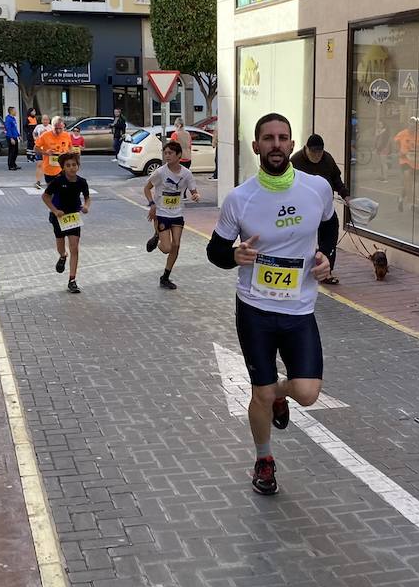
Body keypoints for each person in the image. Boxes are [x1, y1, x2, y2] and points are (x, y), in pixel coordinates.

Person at [207, 113, 335, 496]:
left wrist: (327, 255)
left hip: (300, 310)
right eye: (268, 138)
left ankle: (279, 394)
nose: (276, 144)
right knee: (259, 393)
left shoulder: (317, 188)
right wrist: (235, 256)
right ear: (256, 146)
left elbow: (328, 224)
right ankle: (264, 459)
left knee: (309, 393)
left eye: (282, 138)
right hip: (255, 310)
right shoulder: (240, 198)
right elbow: (215, 251)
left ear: (292, 146)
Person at [291, 134, 349, 286]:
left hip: (324, 207)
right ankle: (299, 268)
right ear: (306, 149)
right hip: (303, 209)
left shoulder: (327, 159)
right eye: (314, 152)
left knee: (330, 235)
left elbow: (336, 179)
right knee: (303, 239)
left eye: (320, 152)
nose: (317, 155)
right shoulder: (295, 161)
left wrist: (346, 195)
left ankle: (326, 271)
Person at [144, 140, 200, 290]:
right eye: (165, 153)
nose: (167, 156)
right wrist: (152, 204)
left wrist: (195, 196)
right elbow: (147, 188)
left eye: (170, 153)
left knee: (176, 245)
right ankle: (157, 235)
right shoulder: (160, 172)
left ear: (179, 155)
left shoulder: (186, 174)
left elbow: (194, 191)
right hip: (162, 213)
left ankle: (165, 277)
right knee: (167, 248)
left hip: (177, 213)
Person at [42, 149, 90, 294]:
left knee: (74, 247)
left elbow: (87, 197)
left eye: (74, 165)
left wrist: (86, 206)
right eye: (68, 165)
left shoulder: (82, 182)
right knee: (61, 247)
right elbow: (45, 197)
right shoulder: (57, 181)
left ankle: (72, 280)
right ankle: (63, 256)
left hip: (73, 217)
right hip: (59, 217)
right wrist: (55, 211)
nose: (71, 168)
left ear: (78, 166)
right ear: (63, 167)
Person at [393, 116, 419, 212]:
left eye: (414, 127)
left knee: (409, 184)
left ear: (418, 127)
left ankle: (401, 198)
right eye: (410, 126)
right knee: (408, 181)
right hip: (405, 160)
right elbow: (395, 142)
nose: (411, 128)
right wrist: (399, 151)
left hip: (416, 162)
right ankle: (412, 204)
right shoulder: (402, 134)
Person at [35, 115, 75, 191]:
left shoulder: (66, 135)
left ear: (63, 126)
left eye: (61, 128)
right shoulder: (45, 136)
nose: (58, 131)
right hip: (49, 169)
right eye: (56, 128)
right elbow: (36, 148)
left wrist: (70, 153)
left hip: (63, 169)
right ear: (52, 126)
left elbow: (70, 147)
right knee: (52, 193)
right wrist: (46, 152)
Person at [32, 116, 53, 189]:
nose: (45, 121)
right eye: (44, 120)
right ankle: (38, 181)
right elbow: (34, 133)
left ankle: (51, 181)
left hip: (48, 149)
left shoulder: (51, 128)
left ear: (49, 120)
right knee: (39, 164)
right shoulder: (38, 127)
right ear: (41, 120)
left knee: (50, 165)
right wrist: (35, 139)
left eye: (47, 119)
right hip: (40, 148)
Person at [5, 106, 21, 170]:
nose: (16, 112)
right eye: (15, 110)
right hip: (10, 137)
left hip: (15, 136)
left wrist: (18, 135)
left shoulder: (13, 118)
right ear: (11, 111)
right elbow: (8, 129)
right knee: (11, 152)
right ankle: (10, 165)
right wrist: (11, 138)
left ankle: (14, 163)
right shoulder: (8, 119)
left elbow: (14, 128)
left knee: (16, 152)